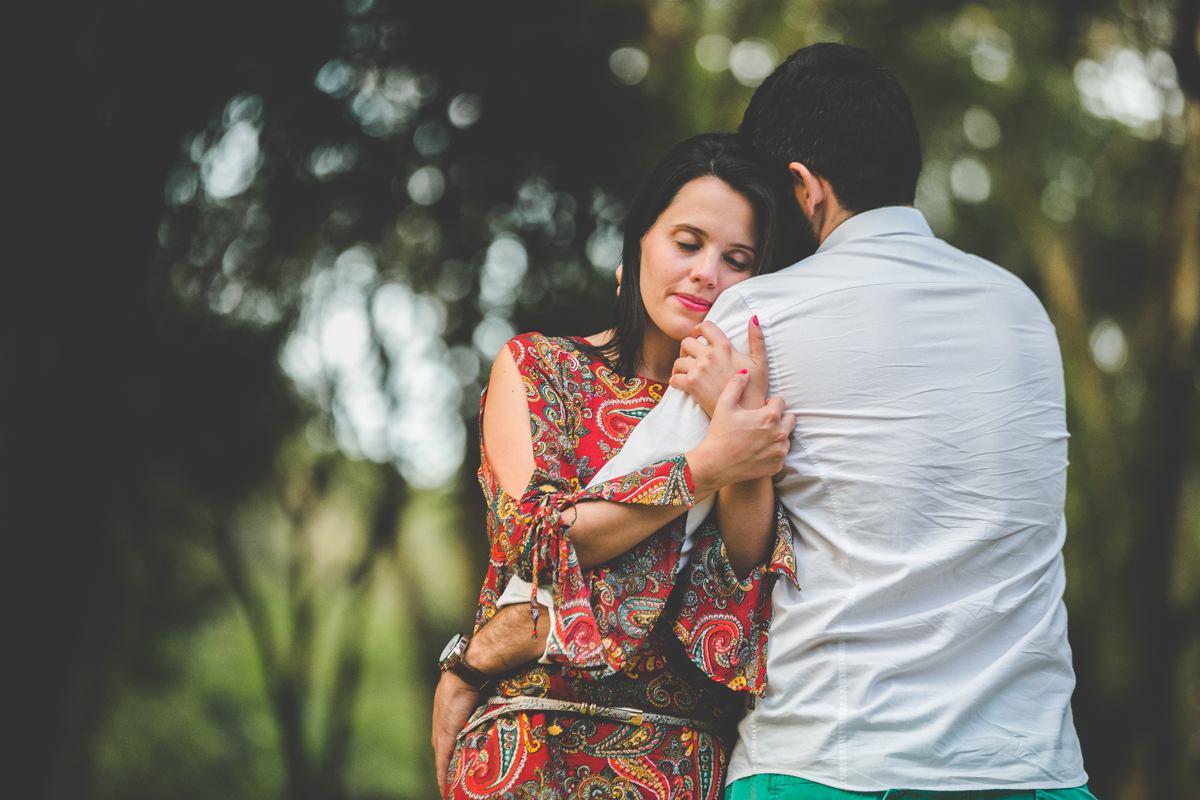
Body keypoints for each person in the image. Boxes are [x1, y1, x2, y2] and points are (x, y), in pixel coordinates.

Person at [590, 44, 1093, 799]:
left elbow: (596, 522)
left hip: (831, 763)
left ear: (801, 188)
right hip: (1035, 767)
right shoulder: (1022, 311)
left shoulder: (764, 314)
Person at [433, 133, 807, 799]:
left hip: (681, 760)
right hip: (532, 748)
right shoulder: (543, 369)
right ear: (635, 245)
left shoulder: (742, 403)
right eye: (687, 243)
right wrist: (705, 467)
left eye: (737, 259)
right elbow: (542, 544)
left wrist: (732, 410)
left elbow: (740, 589)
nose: (706, 273)